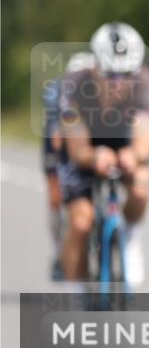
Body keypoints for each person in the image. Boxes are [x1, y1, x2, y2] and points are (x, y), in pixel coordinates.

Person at [58, 22, 149, 286]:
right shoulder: (73, 88)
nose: (118, 83)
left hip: (124, 140)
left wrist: (133, 156)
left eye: (126, 74)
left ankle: (131, 237)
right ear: (94, 67)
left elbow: (144, 143)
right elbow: (77, 148)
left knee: (141, 187)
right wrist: (94, 156)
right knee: (81, 224)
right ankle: (77, 295)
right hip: (86, 144)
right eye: (110, 75)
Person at [42, 51, 96, 279]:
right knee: (56, 196)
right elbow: (56, 131)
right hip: (58, 143)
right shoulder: (59, 90)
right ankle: (58, 251)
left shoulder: (99, 89)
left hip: (86, 140)